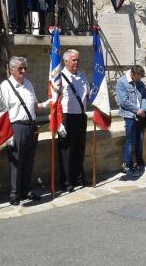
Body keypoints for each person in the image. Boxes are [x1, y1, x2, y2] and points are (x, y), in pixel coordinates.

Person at [0, 57, 49, 205]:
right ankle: (14, 193)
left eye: (25, 68)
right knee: (16, 161)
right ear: (11, 69)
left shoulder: (28, 83)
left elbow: (33, 106)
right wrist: (7, 134)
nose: (23, 71)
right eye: (20, 68)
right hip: (17, 127)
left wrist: (46, 104)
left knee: (28, 160)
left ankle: (26, 190)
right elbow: (2, 112)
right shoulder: (5, 86)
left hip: (31, 126)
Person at [57, 49, 90, 192]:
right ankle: (66, 181)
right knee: (67, 151)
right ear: (66, 61)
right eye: (73, 60)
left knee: (79, 149)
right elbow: (54, 102)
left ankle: (78, 177)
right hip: (66, 117)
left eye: (78, 60)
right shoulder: (59, 78)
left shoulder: (82, 76)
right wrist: (58, 122)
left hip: (80, 116)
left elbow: (88, 94)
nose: (76, 62)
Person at [116, 65, 146, 177]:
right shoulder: (122, 82)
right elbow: (123, 102)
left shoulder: (139, 83)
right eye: (138, 77)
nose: (140, 80)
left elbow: (144, 97)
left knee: (139, 141)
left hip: (141, 116)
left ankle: (140, 164)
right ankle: (128, 165)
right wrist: (137, 110)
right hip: (130, 116)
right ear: (133, 74)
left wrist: (143, 109)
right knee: (130, 142)